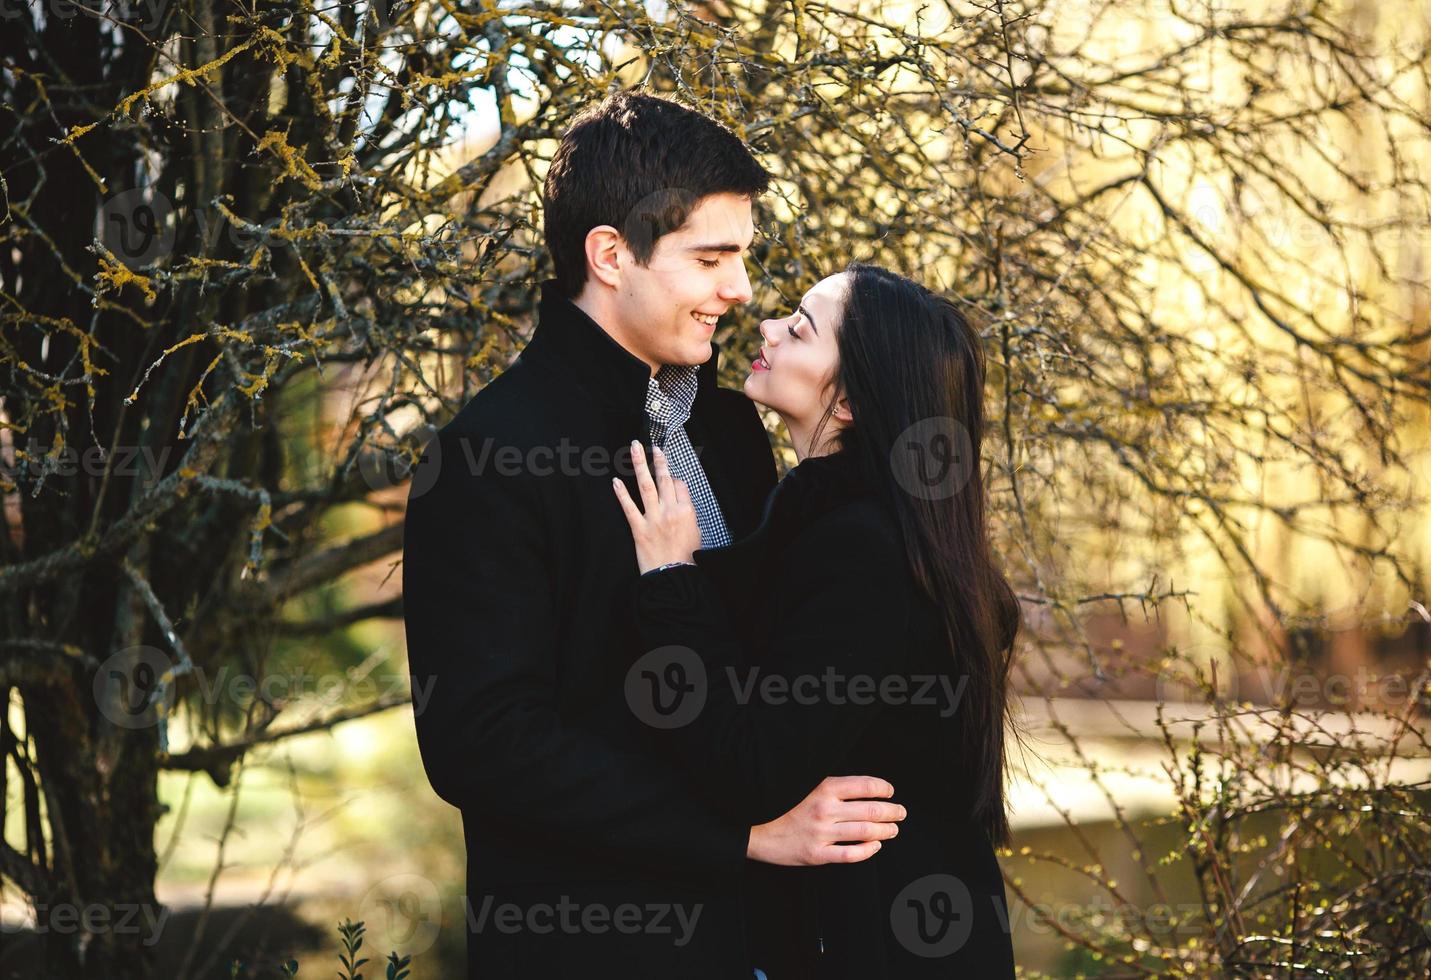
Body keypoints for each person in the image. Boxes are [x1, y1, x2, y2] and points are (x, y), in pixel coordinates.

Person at [401, 93, 904, 978]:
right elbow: (483, 744)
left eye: (740, 257)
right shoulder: (488, 453)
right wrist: (737, 837)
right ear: (609, 255)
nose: (740, 290)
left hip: (771, 942)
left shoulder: (728, 428)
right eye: (710, 258)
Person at [612, 264, 1022, 977]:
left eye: (798, 328)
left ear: (854, 401)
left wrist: (671, 582)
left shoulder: (863, 553)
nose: (767, 328)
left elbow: (755, 766)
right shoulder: (863, 531)